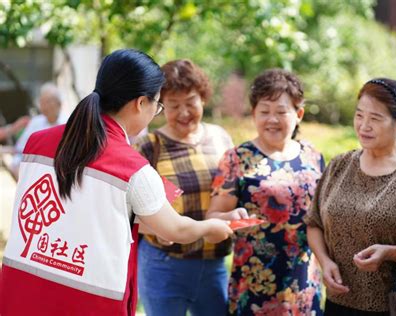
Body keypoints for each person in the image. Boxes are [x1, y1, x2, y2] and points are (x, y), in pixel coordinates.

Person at [0, 49, 232, 316]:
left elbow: (84, 209)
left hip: (25, 290)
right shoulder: (131, 168)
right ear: (140, 103)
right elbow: (175, 230)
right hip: (87, 300)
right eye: (157, 106)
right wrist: (211, 227)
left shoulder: (37, 142)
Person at [304, 78, 396, 315]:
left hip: (392, 305)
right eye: (359, 116)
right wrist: (324, 262)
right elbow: (314, 222)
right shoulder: (340, 165)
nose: (363, 126)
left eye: (375, 119)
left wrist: (389, 252)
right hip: (337, 303)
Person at [207, 69, 324, 315]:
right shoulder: (237, 158)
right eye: (264, 111)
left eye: (281, 111)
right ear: (254, 114)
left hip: (303, 281)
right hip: (254, 283)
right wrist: (231, 218)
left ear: (298, 114)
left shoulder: (312, 156)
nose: (272, 119)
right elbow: (212, 218)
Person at [134, 59, 234, 316]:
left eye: (190, 102)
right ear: (160, 107)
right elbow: (130, 212)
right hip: (164, 264)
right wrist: (156, 228)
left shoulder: (221, 138)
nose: (184, 112)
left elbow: (233, 192)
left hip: (213, 263)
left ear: (203, 98)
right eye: (173, 105)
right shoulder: (148, 146)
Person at [11, 82, 68, 179]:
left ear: (59, 103)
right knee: (16, 162)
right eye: (42, 102)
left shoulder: (68, 123)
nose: (44, 106)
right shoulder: (35, 122)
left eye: (48, 101)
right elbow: (21, 148)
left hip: (59, 166)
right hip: (36, 165)